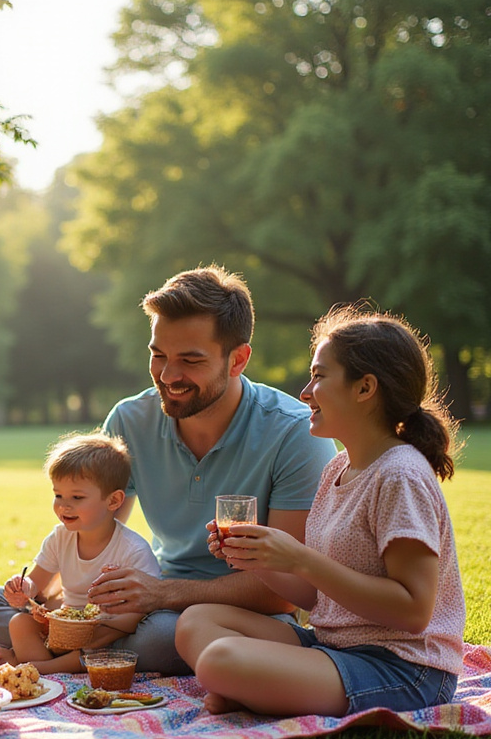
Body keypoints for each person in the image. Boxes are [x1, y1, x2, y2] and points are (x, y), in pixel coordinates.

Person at [0, 265, 336, 673]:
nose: (169, 376)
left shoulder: (294, 432)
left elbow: (285, 593)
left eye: (190, 360)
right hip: (146, 598)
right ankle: (73, 647)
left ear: (238, 359)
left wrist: (161, 594)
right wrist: (54, 602)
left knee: (157, 639)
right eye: (158, 355)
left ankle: (61, 652)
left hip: (233, 611)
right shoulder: (129, 420)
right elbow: (94, 531)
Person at [174, 306, 465, 716]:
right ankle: (250, 686)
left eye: (319, 376)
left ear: (365, 388)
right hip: (336, 647)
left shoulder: (400, 476)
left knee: (221, 660)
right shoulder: (337, 468)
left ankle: (244, 684)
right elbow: (315, 597)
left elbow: (414, 611)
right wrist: (257, 559)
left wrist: (301, 558)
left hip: (402, 667)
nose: (305, 392)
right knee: (196, 621)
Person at [0, 432, 160, 674]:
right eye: (58, 495)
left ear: (114, 501)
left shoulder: (133, 550)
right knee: (20, 622)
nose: (64, 505)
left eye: (77, 497)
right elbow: (37, 583)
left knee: (105, 646)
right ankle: (41, 666)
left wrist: (93, 627)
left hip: (106, 631)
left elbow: (138, 614)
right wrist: (24, 589)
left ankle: (36, 667)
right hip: (63, 625)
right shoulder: (60, 537)